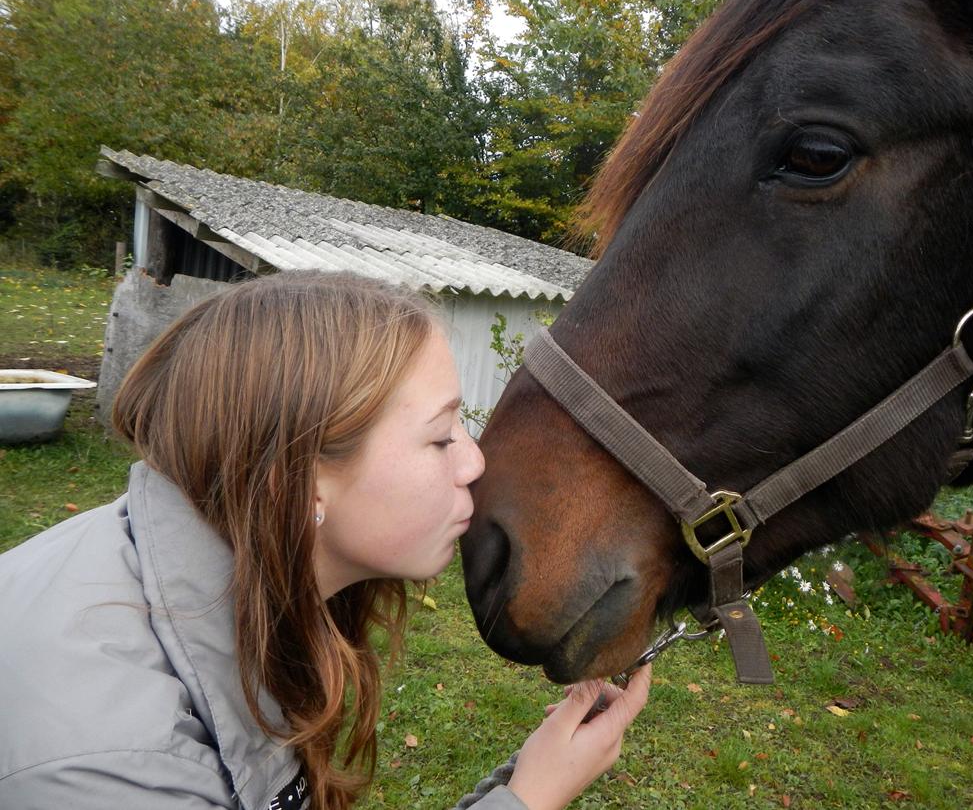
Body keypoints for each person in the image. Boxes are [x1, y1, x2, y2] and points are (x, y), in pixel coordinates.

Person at [0, 270, 652, 810]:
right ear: (300, 478)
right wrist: (531, 801)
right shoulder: (114, 769)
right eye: (439, 436)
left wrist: (522, 783)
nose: (474, 464)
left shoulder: (220, 584)